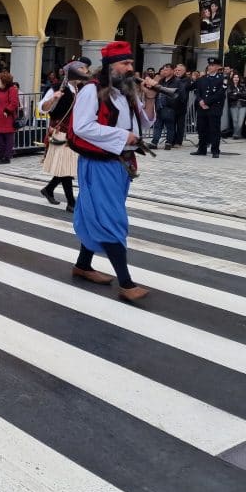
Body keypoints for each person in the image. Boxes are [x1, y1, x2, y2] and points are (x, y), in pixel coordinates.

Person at [68, 41, 157, 302]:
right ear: (110, 67)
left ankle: (83, 265)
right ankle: (126, 283)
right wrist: (123, 136)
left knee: (98, 213)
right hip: (100, 163)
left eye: (131, 63)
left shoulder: (126, 92)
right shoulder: (91, 91)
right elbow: (83, 127)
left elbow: (144, 122)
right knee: (111, 218)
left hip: (121, 163)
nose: (130, 68)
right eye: (125, 63)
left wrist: (149, 97)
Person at [38, 58, 90, 211]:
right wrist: (53, 99)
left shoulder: (81, 90)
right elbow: (43, 108)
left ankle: (49, 189)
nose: (86, 73)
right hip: (61, 132)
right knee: (66, 168)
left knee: (65, 166)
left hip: (74, 133)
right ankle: (71, 202)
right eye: (82, 70)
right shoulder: (57, 88)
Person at [191, 57, 226, 158]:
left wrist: (206, 102)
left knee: (214, 130)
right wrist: (200, 101)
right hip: (202, 108)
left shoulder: (222, 79)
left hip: (214, 108)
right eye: (209, 65)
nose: (210, 67)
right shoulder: (202, 79)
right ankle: (202, 149)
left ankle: (215, 150)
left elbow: (220, 93)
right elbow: (197, 91)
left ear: (218, 67)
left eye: (213, 65)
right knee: (202, 129)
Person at [0, 71, 20, 164]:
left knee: (8, 138)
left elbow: (14, 102)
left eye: (0, 81)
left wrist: (7, 110)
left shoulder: (12, 89)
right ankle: (5, 154)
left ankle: (6, 157)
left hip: (8, 118)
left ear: (5, 81)